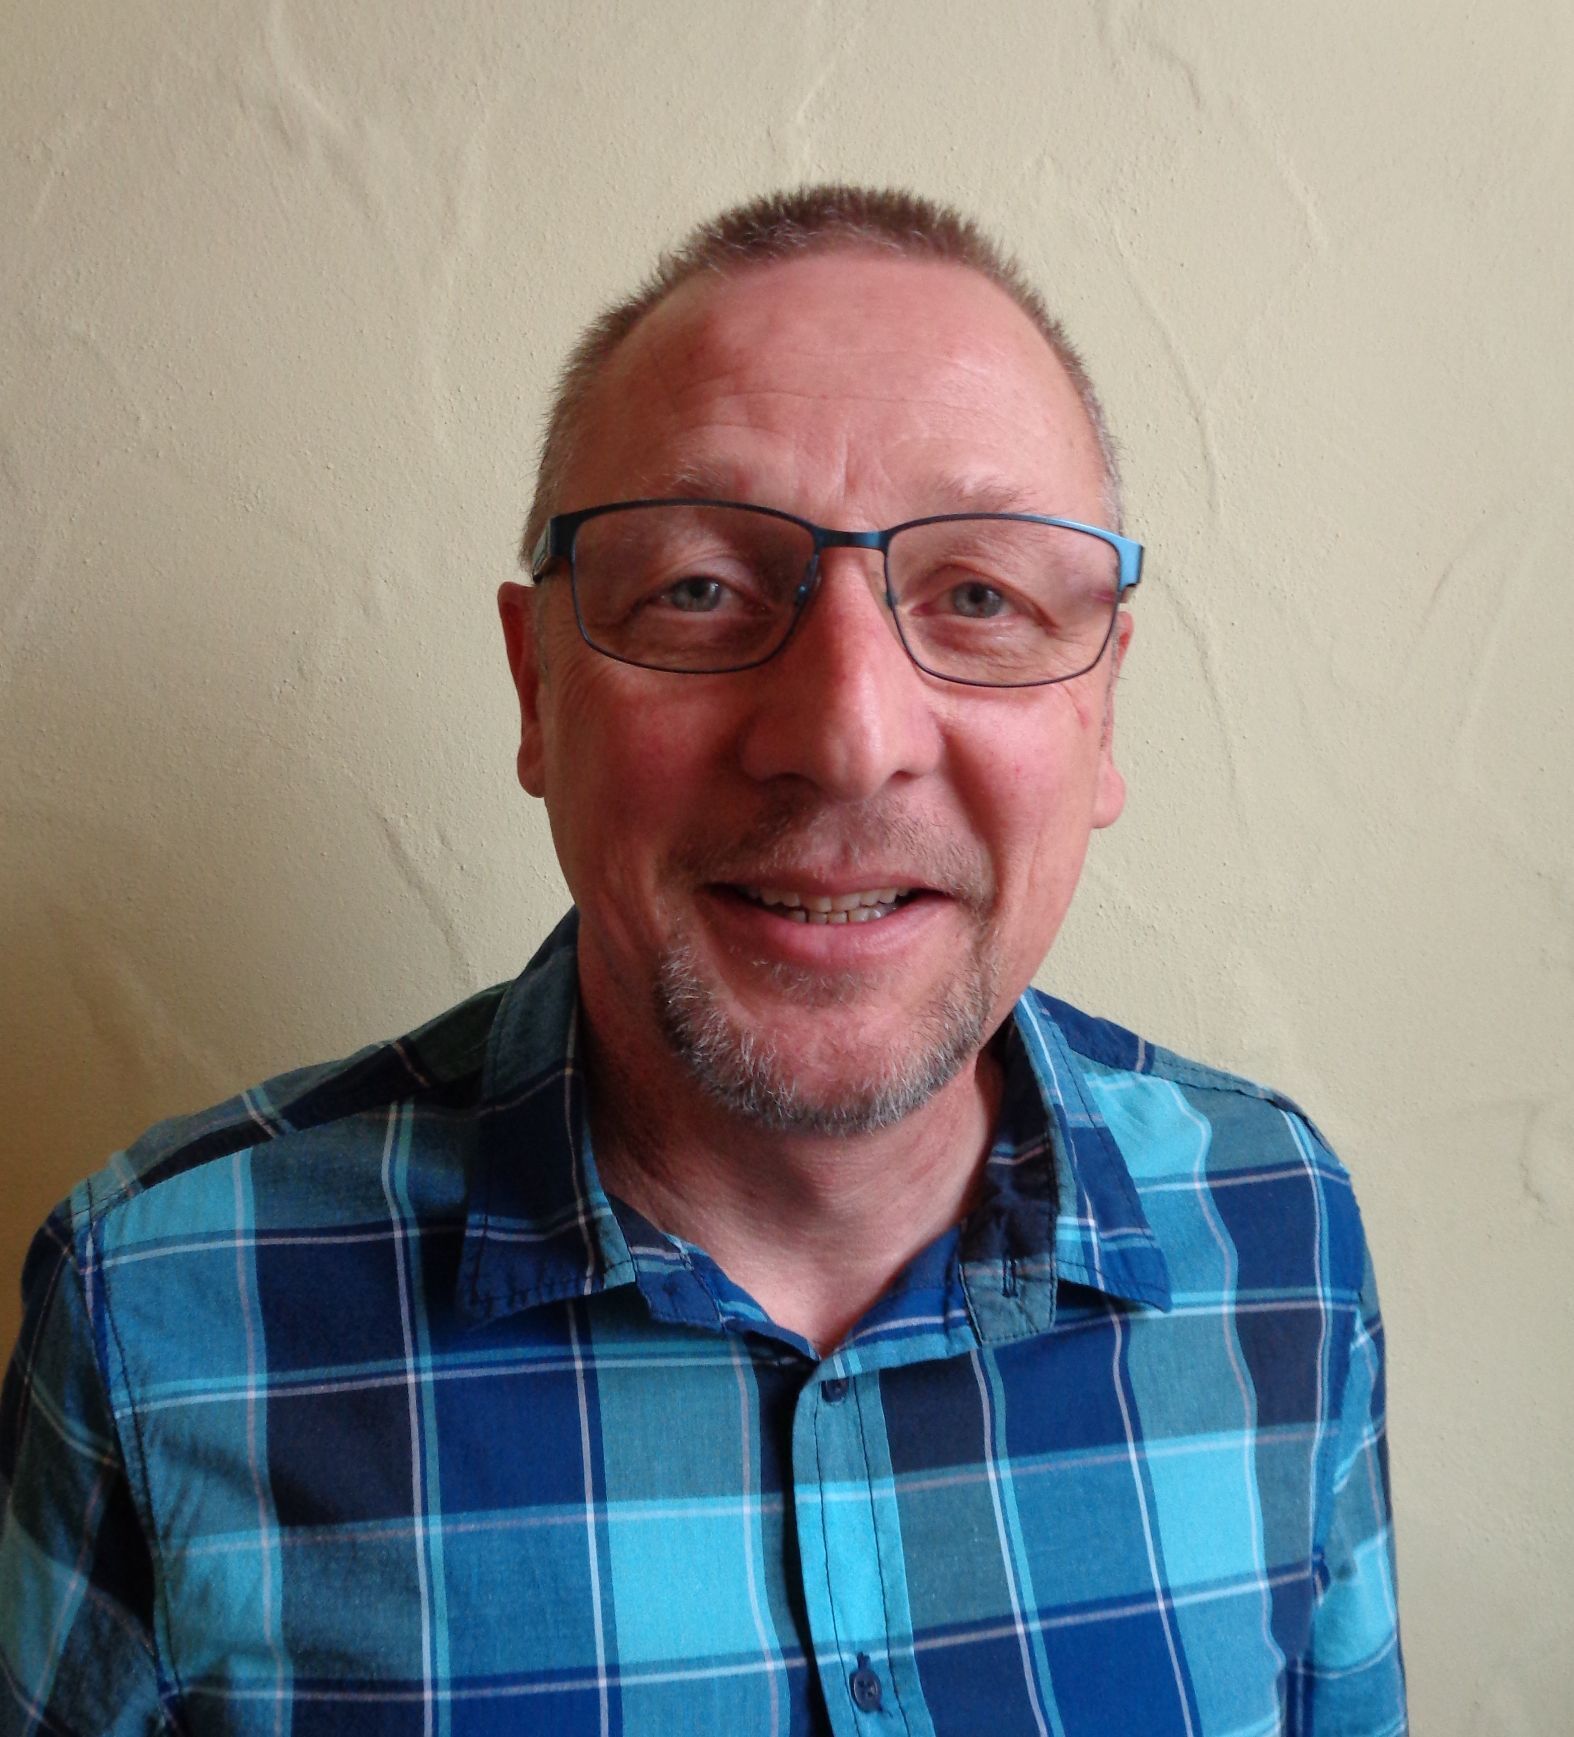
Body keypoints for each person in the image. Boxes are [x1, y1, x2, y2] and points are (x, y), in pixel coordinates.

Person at [0, 186, 1404, 1735]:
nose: (846, 739)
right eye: (698, 590)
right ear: (536, 688)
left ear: (1104, 711)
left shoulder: (1279, 1233)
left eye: (978, 597)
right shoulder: (160, 1316)